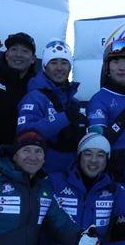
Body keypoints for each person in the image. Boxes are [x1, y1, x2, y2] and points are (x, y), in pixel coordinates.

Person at [17, 39, 88, 173]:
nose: (59, 68)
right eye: (53, 63)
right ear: (45, 67)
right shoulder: (34, 97)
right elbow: (24, 133)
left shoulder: (73, 102)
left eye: (64, 62)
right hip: (43, 175)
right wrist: (64, 117)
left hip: (72, 174)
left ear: (70, 67)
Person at [86, 37, 125, 179]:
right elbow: (98, 144)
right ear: (107, 67)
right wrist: (124, 117)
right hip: (113, 169)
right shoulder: (99, 99)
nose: (122, 67)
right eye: (116, 61)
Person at [0, 32, 37, 145]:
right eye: (14, 49)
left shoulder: (37, 89)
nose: (18, 54)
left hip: (23, 156)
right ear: (6, 55)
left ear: (33, 59)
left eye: (25, 51)